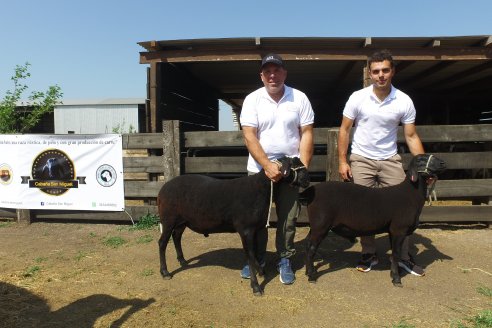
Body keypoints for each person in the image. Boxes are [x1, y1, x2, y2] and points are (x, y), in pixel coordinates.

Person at [338, 49, 426, 276]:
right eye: (376, 71)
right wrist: (342, 161)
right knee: (362, 209)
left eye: (385, 70)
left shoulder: (404, 100)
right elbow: (345, 130)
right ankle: (369, 253)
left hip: (390, 159)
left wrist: (423, 165)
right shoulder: (357, 97)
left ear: (393, 71)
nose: (381, 75)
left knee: (404, 209)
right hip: (361, 158)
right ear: (369, 73)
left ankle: (403, 257)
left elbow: (411, 136)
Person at [239, 53, 314, 285]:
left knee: (288, 218)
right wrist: (267, 165)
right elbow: (249, 135)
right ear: (261, 76)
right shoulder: (252, 100)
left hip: (289, 169)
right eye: (268, 71)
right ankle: (258, 257)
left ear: (285, 73)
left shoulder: (299, 98)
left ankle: (285, 258)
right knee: (256, 218)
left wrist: (301, 167)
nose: (273, 75)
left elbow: (307, 133)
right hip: (259, 170)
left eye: (277, 70)